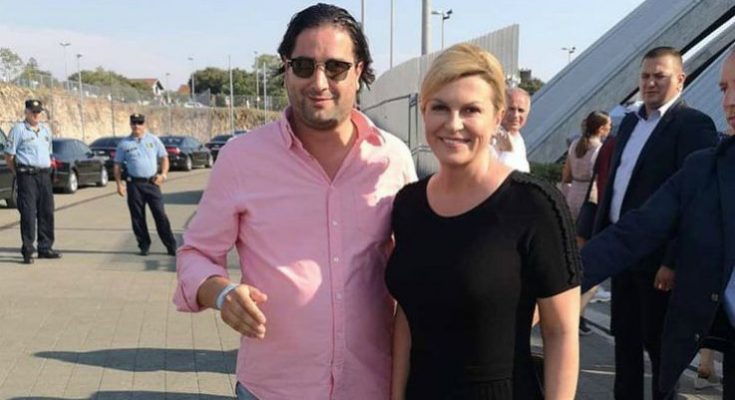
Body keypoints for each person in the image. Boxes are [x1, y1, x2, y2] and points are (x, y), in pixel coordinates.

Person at [173, 4, 416, 400]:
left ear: (359, 71)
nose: (319, 82)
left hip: (371, 386)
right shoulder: (241, 159)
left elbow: (417, 264)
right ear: (285, 69)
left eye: (335, 68)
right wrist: (220, 293)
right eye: (303, 66)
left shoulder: (393, 159)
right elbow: (196, 253)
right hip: (272, 388)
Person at [386, 43, 580, 400]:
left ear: (496, 117)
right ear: (424, 112)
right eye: (440, 107)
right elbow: (407, 316)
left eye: (471, 109)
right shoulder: (408, 205)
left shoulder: (534, 205)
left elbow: (561, 332)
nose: (453, 123)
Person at [581, 48, 735, 398]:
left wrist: (671, 261)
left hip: (659, 270)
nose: (729, 102)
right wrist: (558, 278)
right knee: (629, 346)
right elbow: (638, 226)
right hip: (632, 265)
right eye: (724, 88)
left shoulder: (691, 125)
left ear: (680, 79)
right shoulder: (707, 167)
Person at [3, 99, 62, 264]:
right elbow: (9, 156)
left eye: (38, 112)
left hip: (44, 175)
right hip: (27, 176)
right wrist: (17, 172)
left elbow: (48, 153)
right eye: (33, 111)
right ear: (26, 112)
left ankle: (45, 247)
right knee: (28, 213)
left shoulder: (45, 130)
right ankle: (28, 250)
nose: (36, 115)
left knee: (47, 211)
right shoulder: (18, 130)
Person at [113, 113, 176, 256]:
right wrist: (119, 184)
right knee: (137, 217)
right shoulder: (124, 144)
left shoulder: (153, 140)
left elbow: (164, 158)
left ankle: (170, 245)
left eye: (139, 123)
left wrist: (163, 175)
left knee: (160, 215)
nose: (137, 126)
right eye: (134, 123)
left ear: (144, 124)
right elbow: (117, 165)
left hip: (152, 183)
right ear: (130, 124)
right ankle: (144, 245)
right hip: (134, 185)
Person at [494, 87, 531, 172]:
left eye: (521, 110)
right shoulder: (490, 137)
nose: (515, 115)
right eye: (511, 109)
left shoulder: (519, 141)